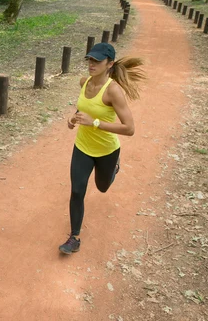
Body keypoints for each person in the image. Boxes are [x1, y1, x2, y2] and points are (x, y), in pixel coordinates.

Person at [59, 42, 145, 255]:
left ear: (109, 64)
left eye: (97, 60)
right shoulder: (84, 82)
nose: (92, 64)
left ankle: (113, 169)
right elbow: (84, 107)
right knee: (77, 190)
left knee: (102, 187)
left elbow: (130, 128)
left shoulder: (113, 91)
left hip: (107, 151)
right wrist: (74, 117)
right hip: (82, 147)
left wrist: (95, 123)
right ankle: (74, 237)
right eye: (90, 59)